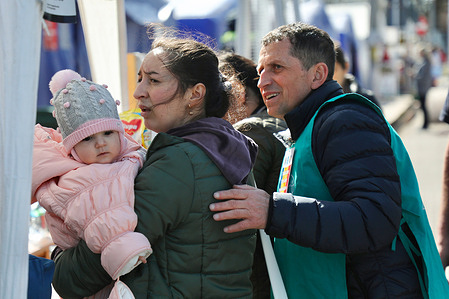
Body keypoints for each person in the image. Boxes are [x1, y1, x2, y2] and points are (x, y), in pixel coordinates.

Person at [210, 22, 449, 298]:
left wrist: (273, 211)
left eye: (277, 68)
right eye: (261, 70)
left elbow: (374, 219)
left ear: (318, 75)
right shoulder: (309, 126)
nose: (262, 81)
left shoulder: (343, 121)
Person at [50, 27, 258, 298]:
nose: (138, 92)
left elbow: (107, 251)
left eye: (154, 81)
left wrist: (58, 260)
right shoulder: (225, 145)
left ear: (195, 94)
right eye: (140, 78)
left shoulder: (180, 160)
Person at [32, 69, 152, 297]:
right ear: (72, 148)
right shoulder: (82, 179)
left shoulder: (127, 155)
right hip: (116, 268)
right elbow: (105, 220)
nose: (100, 144)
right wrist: (127, 251)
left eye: (108, 133)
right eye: (87, 138)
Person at [219, 52, 288, 299]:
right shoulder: (277, 123)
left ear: (240, 94)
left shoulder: (249, 131)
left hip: (258, 273)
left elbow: (232, 203)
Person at [333, 42, 381, 109]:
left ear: (346, 66)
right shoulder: (318, 102)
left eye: (333, 70)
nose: (328, 77)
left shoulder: (367, 101)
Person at [415, 48, 433, 129]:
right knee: (423, 105)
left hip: (423, 87)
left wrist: (415, 76)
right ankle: (425, 123)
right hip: (422, 87)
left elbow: (422, 77)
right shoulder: (424, 62)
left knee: (423, 106)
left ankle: (426, 123)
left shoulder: (426, 63)